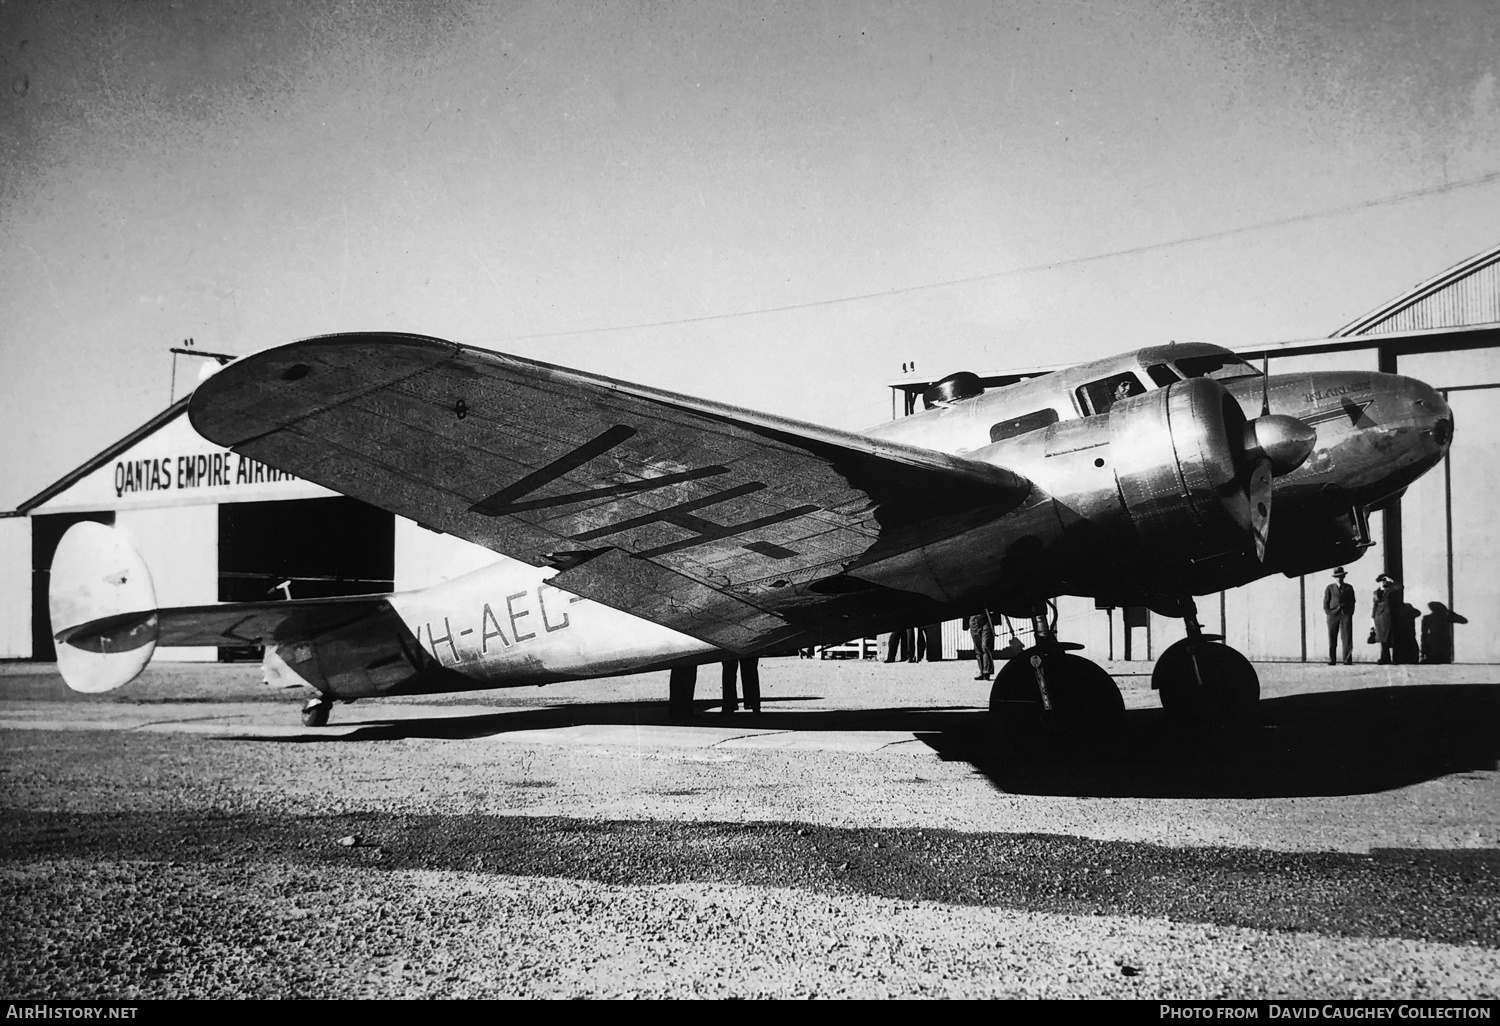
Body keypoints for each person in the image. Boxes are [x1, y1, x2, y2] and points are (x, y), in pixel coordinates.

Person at [1323, 566, 1356, 665]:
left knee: (1347, 638)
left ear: (1344, 577)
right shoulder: (1330, 588)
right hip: (1333, 616)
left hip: (1345, 615)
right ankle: (1332, 660)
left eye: (1341, 576)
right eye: (1337, 577)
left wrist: (1349, 612)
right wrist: (1328, 612)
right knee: (1332, 637)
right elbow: (1326, 602)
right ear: (1335, 578)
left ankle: (1347, 659)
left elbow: (1352, 601)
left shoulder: (1349, 587)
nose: (1339, 578)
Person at [1371, 574, 1402, 665]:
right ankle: (1384, 658)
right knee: (1382, 639)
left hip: (1390, 617)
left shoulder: (1391, 590)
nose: (1383, 582)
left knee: (1392, 638)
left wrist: (1391, 580)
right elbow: (1374, 606)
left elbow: (1400, 586)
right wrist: (1373, 618)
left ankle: (1395, 658)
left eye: (1385, 580)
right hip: (1379, 617)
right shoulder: (1376, 592)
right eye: (1381, 580)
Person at [965, 609, 994, 680]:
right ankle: (982, 672)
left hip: (986, 619)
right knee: (978, 648)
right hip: (973, 620)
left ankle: (986, 672)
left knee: (985, 646)